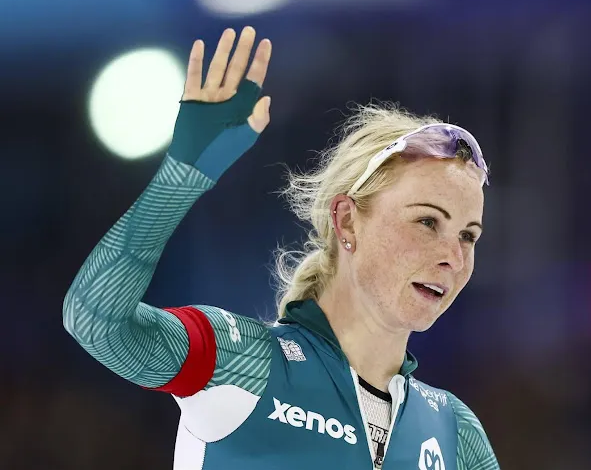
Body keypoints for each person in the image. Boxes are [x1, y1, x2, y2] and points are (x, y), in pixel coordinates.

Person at [63, 25, 500, 470]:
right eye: (427, 222)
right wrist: (182, 174)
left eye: (468, 235)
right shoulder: (245, 366)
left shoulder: (454, 433)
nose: (454, 257)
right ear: (347, 220)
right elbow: (95, 321)